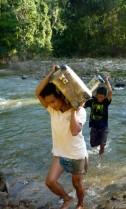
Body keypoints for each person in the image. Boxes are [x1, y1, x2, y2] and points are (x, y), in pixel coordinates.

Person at [35, 65, 88, 209]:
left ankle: (81, 204)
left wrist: (73, 111)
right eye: (49, 102)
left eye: (53, 101)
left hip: (76, 154)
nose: (51, 105)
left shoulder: (80, 111)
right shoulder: (53, 110)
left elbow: (75, 131)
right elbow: (38, 92)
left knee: (77, 184)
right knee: (50, 182)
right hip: (60, 153)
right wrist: (51, 72)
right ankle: (67, 198)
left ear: (62, 96)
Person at [84, 76, 112, 155]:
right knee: (93, 145)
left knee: (102, 146)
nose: (100, 98)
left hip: (104, 127)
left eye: (102, 97)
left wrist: (106, 81)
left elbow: (110, 92)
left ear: (104, 97)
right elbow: (82, 106)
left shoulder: (106, 102)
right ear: (96, 95)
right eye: (98, 97)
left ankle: (101, 158)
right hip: (94, 127)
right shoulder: (92, 101)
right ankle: (99, 143)